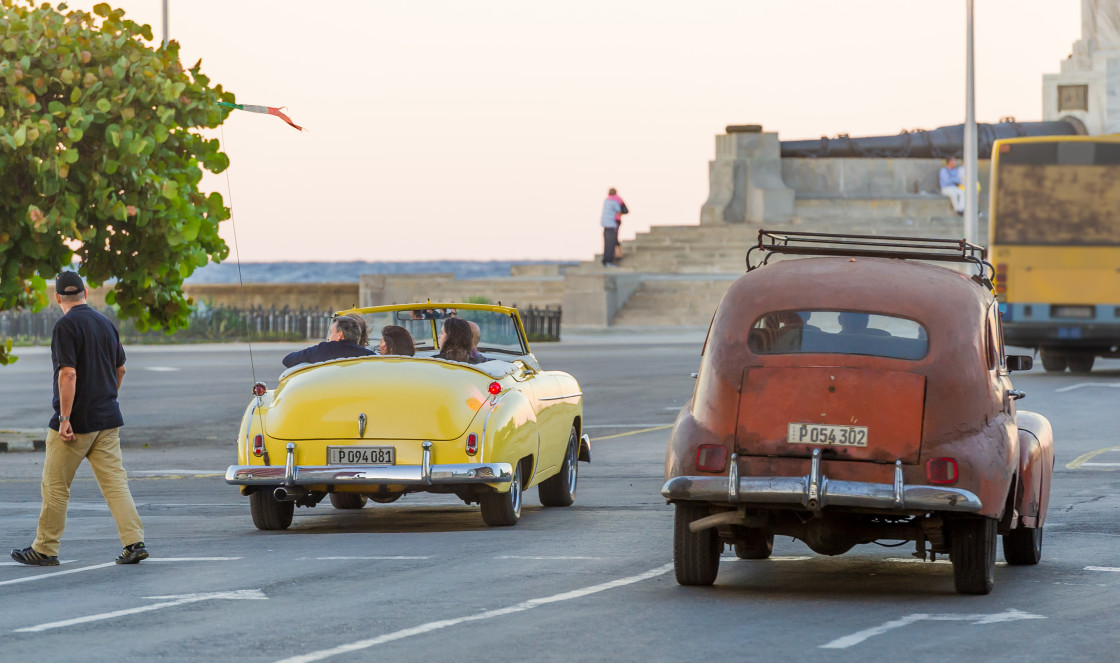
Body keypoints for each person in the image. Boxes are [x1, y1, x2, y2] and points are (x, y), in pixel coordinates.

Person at [10, 271, 148, 567]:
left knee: (55, 486)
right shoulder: (105, 323)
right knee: (115, 483)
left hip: (77, 424)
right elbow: (120, 369)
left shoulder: (65, 326)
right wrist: (108, 398)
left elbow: (68, 373)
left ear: (57, 297)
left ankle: (45, 548)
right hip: (108, 419)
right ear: (85, 293)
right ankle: (134, 542)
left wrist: (64, 418)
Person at [282, 315, 375, 367]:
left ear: (340, 335)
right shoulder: (369, 355)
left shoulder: (323, 349)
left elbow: (288, 360)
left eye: (331, 332)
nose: (329, 338)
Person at [600, 187, 628, 267]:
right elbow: (620, 211)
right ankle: (609, 261)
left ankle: (606, 261)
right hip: (612, 224)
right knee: (611, 244)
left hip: (605, 224)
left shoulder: (606, 201)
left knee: (607, 243)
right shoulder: (615, 202)